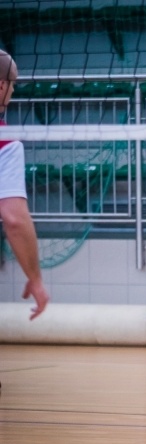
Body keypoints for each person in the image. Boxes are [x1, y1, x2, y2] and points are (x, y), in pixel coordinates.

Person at [0, 51, 49, 322]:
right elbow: (14, 219)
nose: (14, 90)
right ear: (1, 85)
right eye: (14, 84)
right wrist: (36, 278)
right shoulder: (6, 142)